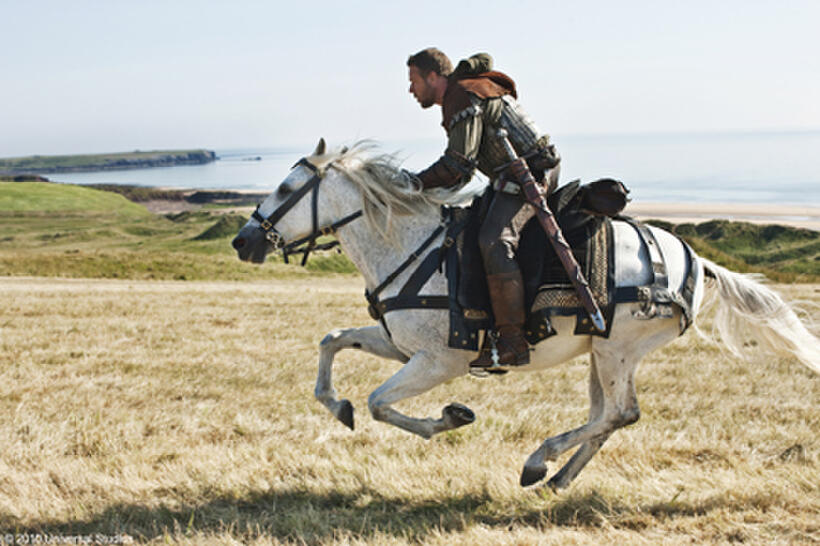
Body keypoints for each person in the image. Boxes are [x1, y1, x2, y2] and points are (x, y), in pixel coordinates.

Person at [406, 47, 560, 369]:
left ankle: (513, 341)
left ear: (433, 76)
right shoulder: (460, 95)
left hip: (529, 176)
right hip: (508, 179)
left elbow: (457, 165)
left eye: (413, 80)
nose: (411, 89)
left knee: (493, 240)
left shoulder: (463, 95)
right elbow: (461, 170)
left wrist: (413, 185)